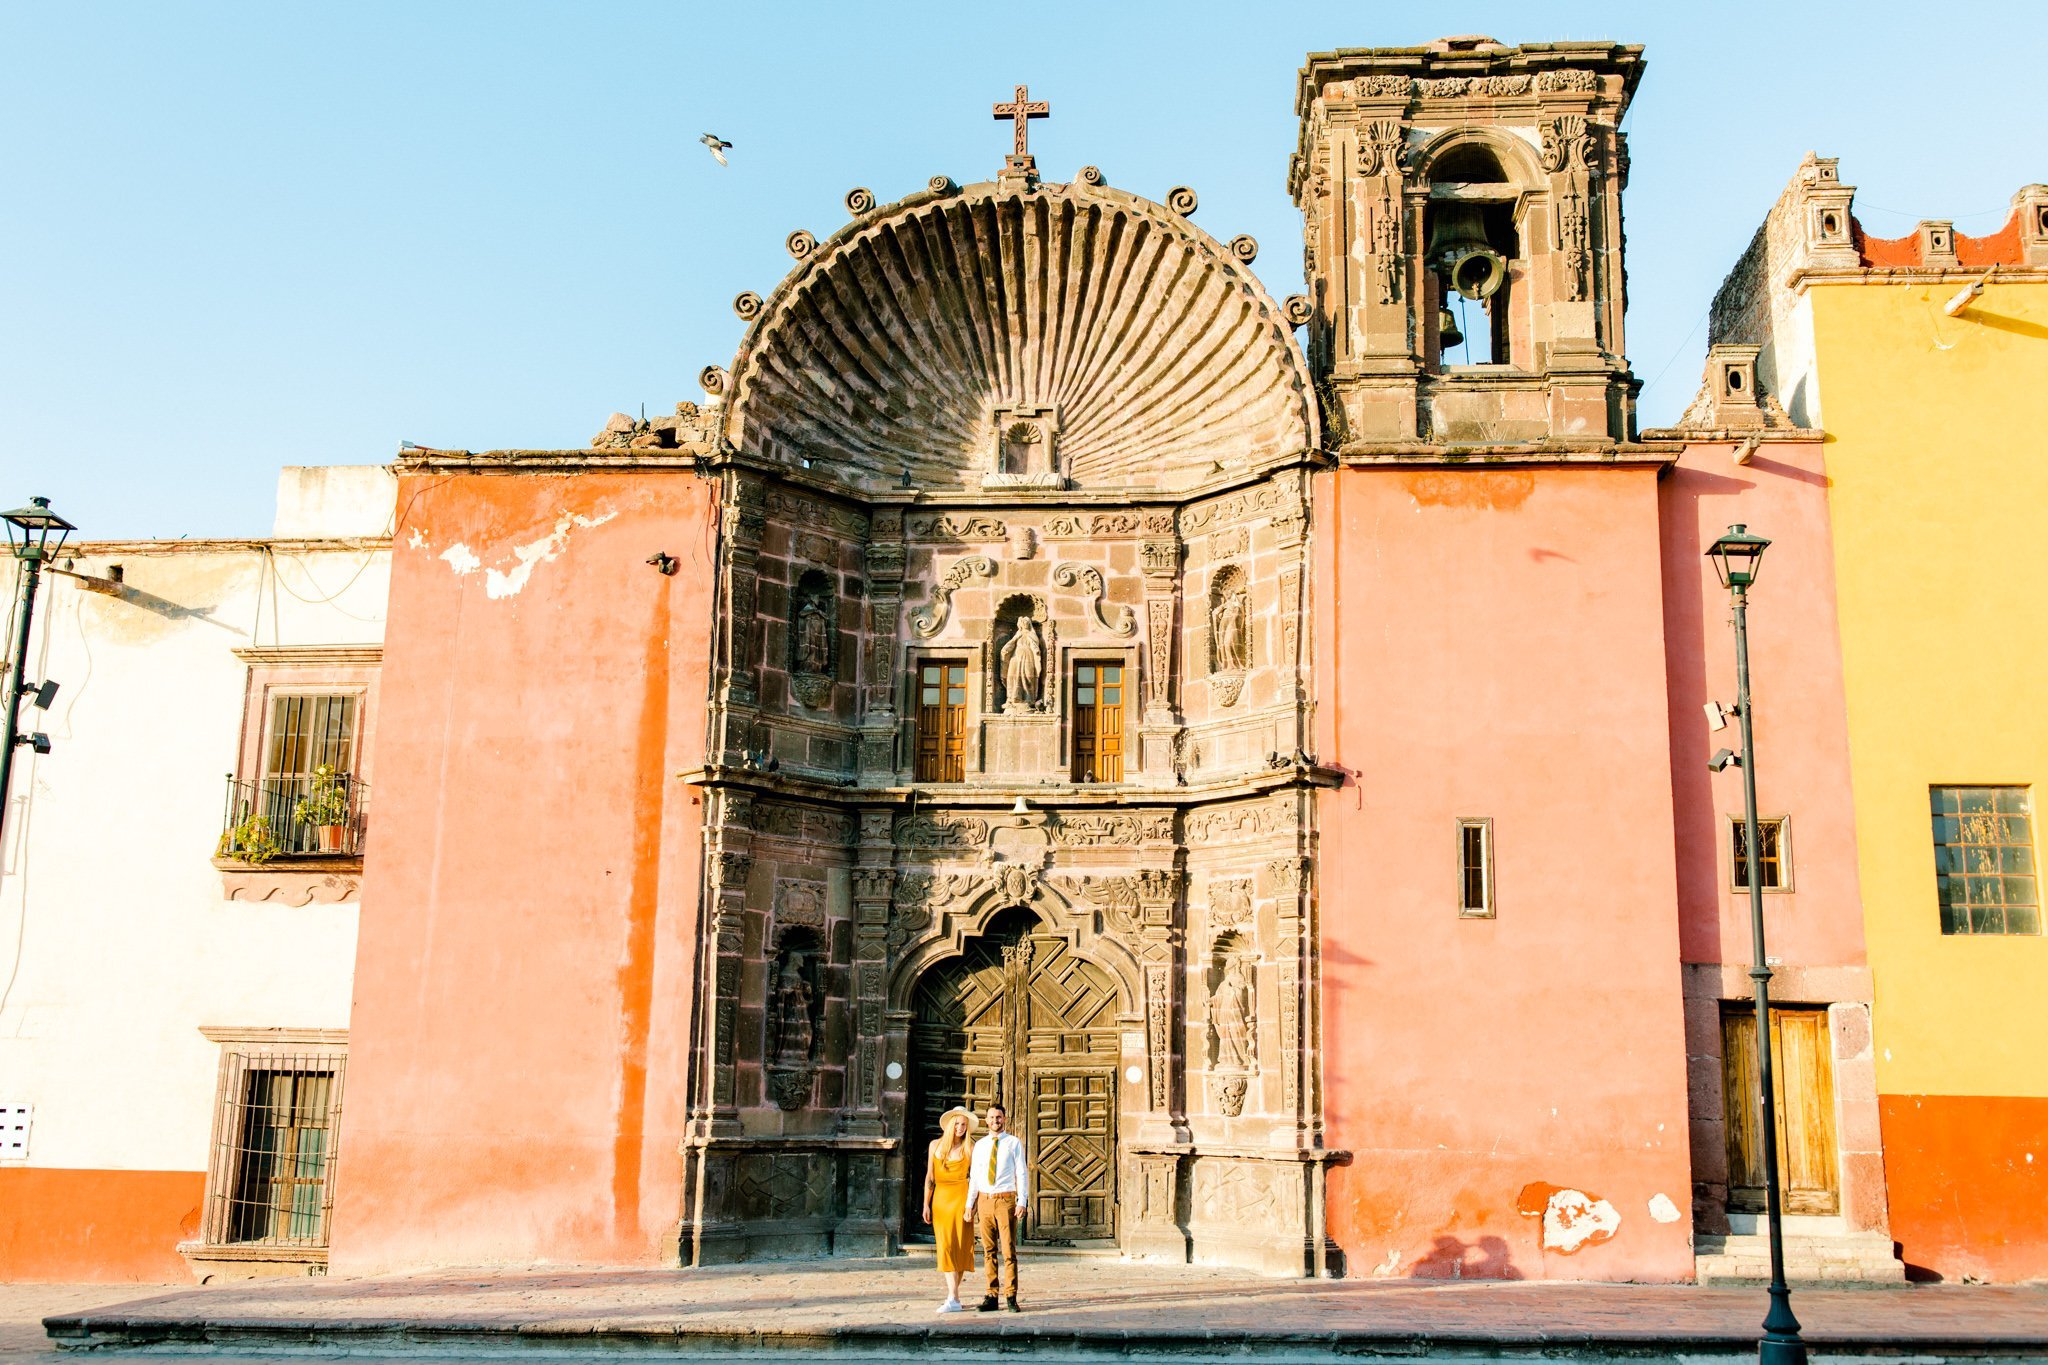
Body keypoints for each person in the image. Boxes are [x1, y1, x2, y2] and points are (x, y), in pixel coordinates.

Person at [964, 1100, 1030, 1312]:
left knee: (1009, 1250)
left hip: (1005, 1200)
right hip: (985, 1200)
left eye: (999, 1117)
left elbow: (1021, 1172)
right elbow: (974, 1176)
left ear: (1004, 1119)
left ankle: (1011, 1295)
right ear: (986, 1120)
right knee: (988, 1250)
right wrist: (970, 1204)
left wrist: (1022, 1201)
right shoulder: (980, 1146)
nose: (995, 1121)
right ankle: (991, 1295)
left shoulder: (1013, 1143)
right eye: (992, 1117)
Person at [921, 1106, 978, 1313]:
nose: (960, 1128)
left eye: (964, 1125)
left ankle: (953, 1297)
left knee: (961, 1247)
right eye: (957, 1124)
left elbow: (976, 1180)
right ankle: (953, 1297)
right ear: (949, 1125)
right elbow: (930, 1177)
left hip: (962, 1199)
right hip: (942, 1201)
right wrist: (926, 1204)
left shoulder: (970, 1148)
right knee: (945, 1246)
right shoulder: (935, 1146)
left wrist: (973, 1206)